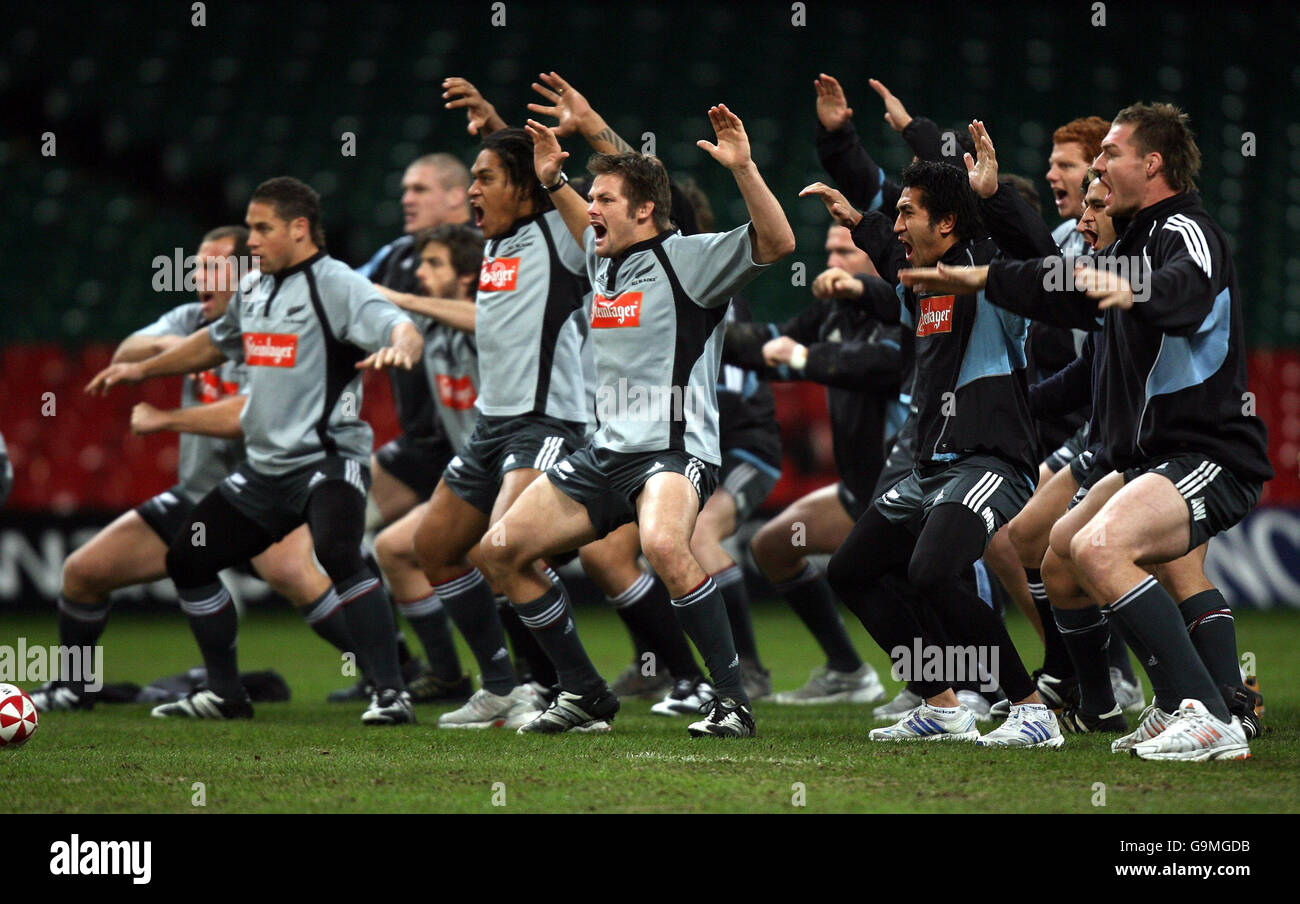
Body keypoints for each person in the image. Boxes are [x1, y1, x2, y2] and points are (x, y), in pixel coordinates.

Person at [901, 104, 1272, 760]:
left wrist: (1137, 290)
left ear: (1151, 163)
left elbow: (1184, 288)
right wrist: (986, 275)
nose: (1097, 169)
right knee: (1065, 547)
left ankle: (1210, 712)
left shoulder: (1183, 228)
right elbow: (1061, 285)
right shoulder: (1129, 240)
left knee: (1100, 545)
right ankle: (1158, 702)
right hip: (1152, 456)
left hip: (1209, 449)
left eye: (1109, 156)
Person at [476, 104, 794, 737]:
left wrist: (745, 168)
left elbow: (780, 243)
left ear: (644, 209)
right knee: (498, 553)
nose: (591, 208)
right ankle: (585, 693)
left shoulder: (692, 260)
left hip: (675, 452)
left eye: (606, 199)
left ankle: (731, 700)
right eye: (590, 197)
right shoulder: (604, 261)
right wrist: (553, 182)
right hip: (605, 453)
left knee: (664, 546)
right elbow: (579, 220)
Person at [86, 178, 422, 725]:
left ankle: (391, 691)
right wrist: (140, 369)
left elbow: (396, 325)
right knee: (188, 561)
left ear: (299, 228)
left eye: (262, 228)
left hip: (327, 459)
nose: (253, 241)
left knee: (340, 552)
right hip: (265, 470)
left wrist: (403, 346)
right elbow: (216, 343)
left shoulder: (335, 283)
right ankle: (226, 694)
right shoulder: (256, 289)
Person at [805, 122, 1063, 747]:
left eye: (905, 213)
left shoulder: (993, 276)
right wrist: (859, 220)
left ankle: (1032, 710)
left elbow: (1044, 262)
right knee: (851, 570)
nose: (896, 225)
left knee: (934, 571)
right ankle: (943, 703)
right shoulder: (922, 279)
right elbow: (893, 257)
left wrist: (994, 196)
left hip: (992, 461)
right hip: (931, 468)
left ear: (946, 223)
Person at [33, 227, 345, 712]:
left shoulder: (275, 329)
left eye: (213, 267)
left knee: (292, 571)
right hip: (196, 495)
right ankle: (76, 687)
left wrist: (171, 410)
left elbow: (253, 415)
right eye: (197, 267)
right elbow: (125, 355)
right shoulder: (191, 320)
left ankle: (389, 671)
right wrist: (196, 349)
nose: (199, 277)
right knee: (82, 572)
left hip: (266, 496)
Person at [727, 223, 901, 706]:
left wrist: (806, 356)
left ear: (877, 259)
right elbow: (773, 345)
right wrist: (709, 329)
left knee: (909, 576)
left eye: (846, 252)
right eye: (828, 251)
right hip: (859, 487)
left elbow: (882, 365)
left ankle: (961, 686)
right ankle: (848, 670)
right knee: (772, 547)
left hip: (907, 487)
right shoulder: (830, 311)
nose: (833, 263)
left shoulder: (905, 309)